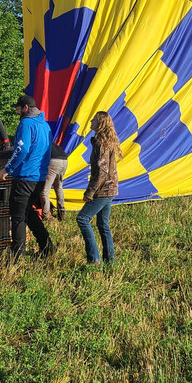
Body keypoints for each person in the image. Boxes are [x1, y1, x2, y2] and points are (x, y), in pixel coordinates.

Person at [0, 94, 54, 260]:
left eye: (18, 108)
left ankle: (17, 258)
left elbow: (23, 149)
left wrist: (8, 168)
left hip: (24, 176)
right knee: (28, 213)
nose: (17, 112)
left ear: (25, 108)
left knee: (18, 217)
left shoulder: (26, 123)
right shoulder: (45, 125)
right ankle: (47, 246)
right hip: (39, 177)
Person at [77, 110, 120, 266]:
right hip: (111, 189)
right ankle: (110, 260)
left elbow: (102, 172)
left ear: (100, 124)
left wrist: (90, 192)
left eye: (93, 120)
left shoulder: (101, 144)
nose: (91, 122)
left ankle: (94, 259)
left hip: (103, 190)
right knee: (103, 224)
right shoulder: (106, 142)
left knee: (82, 219)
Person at [40, 137, 68, 221]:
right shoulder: (48, 140)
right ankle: (61, 213)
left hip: (54, 161)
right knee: (58, 187)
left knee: (44, 191)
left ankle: (46, 216)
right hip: (64, 160)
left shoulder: (38, 141)